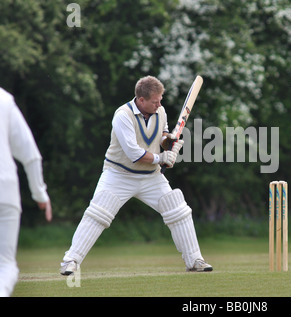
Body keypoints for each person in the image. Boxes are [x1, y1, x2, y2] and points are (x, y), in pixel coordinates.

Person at [60, 75, 212, 275]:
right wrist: (162, 158)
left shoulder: (161, 111)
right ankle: (70, 261)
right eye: (154, 101)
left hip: (150, 177)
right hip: (118, 174)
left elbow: (162, 138)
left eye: (160, 100)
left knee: (178, 210)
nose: (159, 104)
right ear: (141, 100)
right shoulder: (123, 115)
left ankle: (194, 260)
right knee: (98, 214)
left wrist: (171, 141)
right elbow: (134, 154)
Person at [0, 88, 52, 297]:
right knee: (6, 265)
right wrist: (40, 194)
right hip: (5, 190)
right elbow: (30, 154)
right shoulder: (4, 99)